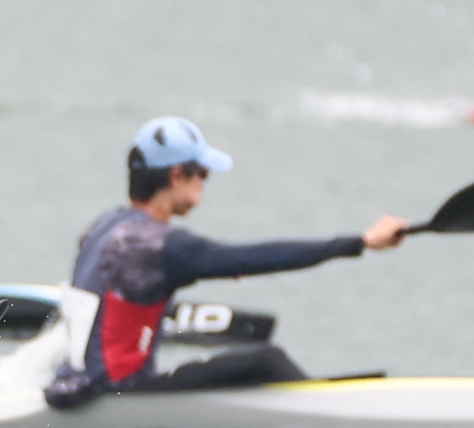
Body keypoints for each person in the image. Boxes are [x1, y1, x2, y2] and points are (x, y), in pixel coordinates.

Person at [43, 117, 407, 407]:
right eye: (202, 173)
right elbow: (263, 257)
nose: (204, 183)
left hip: (74, 385)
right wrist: (359, 242)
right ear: (176, 176)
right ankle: (331, 413)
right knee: (265, 361)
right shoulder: (165, 247)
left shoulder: (104, 226)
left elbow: (126, 280)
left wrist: (211, 265)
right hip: (119, 394)